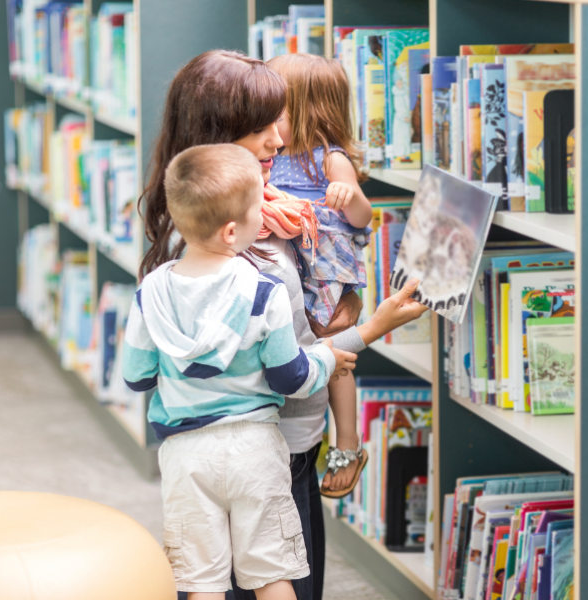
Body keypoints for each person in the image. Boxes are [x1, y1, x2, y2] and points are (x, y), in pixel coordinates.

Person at [139, 50, 428, 600]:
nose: (278, 140)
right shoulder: (245, 243)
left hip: (248, 448)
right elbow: (289, 368)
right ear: (221, 133)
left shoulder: (217, 217)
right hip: (271, 450)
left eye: (281, 120)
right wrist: (373, 327)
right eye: (262, 126)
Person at [123, 144, 358, 599]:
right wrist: (328, 358)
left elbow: (137, 377)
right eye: (259, 207)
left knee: (202, 583)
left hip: (185, 454)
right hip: (254, 449)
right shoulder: (263, 291)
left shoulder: (151, 291)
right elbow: (290, 379)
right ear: (233, 231)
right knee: (273, 576)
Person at [267, 53, 370, 496]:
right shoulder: (272, 153)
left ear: (308, 111)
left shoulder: (329, 159)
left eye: (276, 109)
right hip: (294, 261)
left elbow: (364, 218)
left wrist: (348, 197)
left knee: (333, 356)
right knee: (301, 350)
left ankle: (348, 440)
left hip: (324, 270)